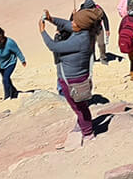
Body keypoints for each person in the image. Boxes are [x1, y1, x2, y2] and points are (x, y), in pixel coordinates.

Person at [39, 12, 97, 142]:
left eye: (75, 22)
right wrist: (51, 19)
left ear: (81, 26)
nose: (72, 23)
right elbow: (66, 24)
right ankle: (83, 125)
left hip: (73, 81)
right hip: (74, 79)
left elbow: (53, 46)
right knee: (80, 105)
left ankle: (88, 133)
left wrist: (42, 31)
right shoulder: (82, 32)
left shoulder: (80, 40)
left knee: (79, 108)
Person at [0, 27, 26, 99]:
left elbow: (17, 51)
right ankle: (14, 91)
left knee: (5, 79)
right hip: (0, 64)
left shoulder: (10, 42)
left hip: (10, 63)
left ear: (3, 38)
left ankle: (7, 96)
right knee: (7, 79)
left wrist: (23, 60)